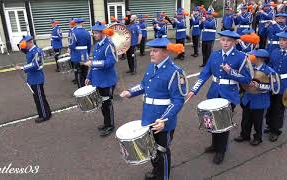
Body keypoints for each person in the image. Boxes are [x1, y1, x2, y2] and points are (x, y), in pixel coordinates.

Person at [120, 37, 186, 180]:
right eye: (151, 50)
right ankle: (157, 172)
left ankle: (163, 177)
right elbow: (144, 85)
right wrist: (130, 92)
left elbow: (178, 100)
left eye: (155, 51)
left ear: (165, 53)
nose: (151, 53)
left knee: (161, 150)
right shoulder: (152, 66)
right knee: (151, 148)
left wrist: (163, 120)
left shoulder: (175, 72)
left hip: (163, 120)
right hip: (149, 116)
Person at [187, 30, 252, 164]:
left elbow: (247, 79)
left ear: (234, 42)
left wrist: (231, 72)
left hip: (229, 94)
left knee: (223, 123)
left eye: (229, 41)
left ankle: (221, 151)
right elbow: (205, 73)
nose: (225, 43)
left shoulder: (241, 57)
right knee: (212, 121)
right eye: (223, 40)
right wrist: (194, 90)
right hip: (214, 92)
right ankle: (215, 144)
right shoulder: (215, 55)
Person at [235, 49, 278, 146]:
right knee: (245, 118)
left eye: (254, 57)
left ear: (260, 59)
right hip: (248, 97)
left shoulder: (269, 71)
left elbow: (273, 87)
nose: (251, 58)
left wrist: (260, 86)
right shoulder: (250, 67)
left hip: (260, 99)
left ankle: (258, 137)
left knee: (257, 120)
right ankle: (245, 135)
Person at [82, 21, 117, 137]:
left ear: (102, 33)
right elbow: (93, 64)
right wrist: (89, 76)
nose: (94, 35)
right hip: (98, 79)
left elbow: (110, 63)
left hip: (106, 80)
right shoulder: (97, 45)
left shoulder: (109, 45)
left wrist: (93, 63)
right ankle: (106, 123)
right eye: (94, 33)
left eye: (96, 33)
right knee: (102, 103)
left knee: (107, 103)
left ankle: (110, 125)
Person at [15, 35, 52, 123]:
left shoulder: (37, 51)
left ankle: (44, 115)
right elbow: (21, 48)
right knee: (37, 98)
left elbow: (36, 65)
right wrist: (21, 44)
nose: (24, 45)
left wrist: (21, 68)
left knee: (39, 98)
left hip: (37, 78)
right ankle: (46, 113)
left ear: (30, 42)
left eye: (25, 43)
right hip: (32, 78)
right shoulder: (30, 50)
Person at [265, 31, 287, 142]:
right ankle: (269, 125)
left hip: (284, 84)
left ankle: (276, 130)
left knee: (279, 108)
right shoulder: (275, 51)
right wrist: (270, 73)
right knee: (270, 105)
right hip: (273, 82)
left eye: (284, 40)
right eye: (280, 40)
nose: (281, 42)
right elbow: (270, 65)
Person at [68, 18, 91, 88]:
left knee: (78, 73)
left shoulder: (73, 32)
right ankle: (86, 87)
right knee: (85, 72)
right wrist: (87, 54)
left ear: (75, 24)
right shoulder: (87, 32)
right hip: (85, 55)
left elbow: (71, 46)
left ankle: (80, 88)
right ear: (82, 24)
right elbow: (89, 46)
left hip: (76, 55)